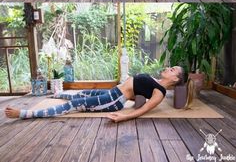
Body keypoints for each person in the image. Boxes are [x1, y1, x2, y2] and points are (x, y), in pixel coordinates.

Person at [5, 66, 195, 120]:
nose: (168, 68)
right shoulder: (155, 80)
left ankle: (24, 114)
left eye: (172, 70)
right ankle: (55, 94)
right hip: (114, 92)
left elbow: (144, 109)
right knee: (84, 94)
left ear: (176, 79)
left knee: (73, 105)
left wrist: (124, 117)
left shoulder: (160, 92)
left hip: (115, 100)